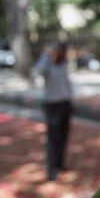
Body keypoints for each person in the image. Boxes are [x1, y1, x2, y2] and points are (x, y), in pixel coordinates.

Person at [34, 42, 73, 181]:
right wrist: (47, 55)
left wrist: (71, 100)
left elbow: (67, 83)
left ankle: (60, 163)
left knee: (63, 136)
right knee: (52, 139)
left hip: (65, 104)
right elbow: (37, 71)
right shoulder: (47, 64)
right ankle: (51, 169)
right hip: (52, 106)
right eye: (60, 51)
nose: (63, 53)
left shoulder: (64, 63)